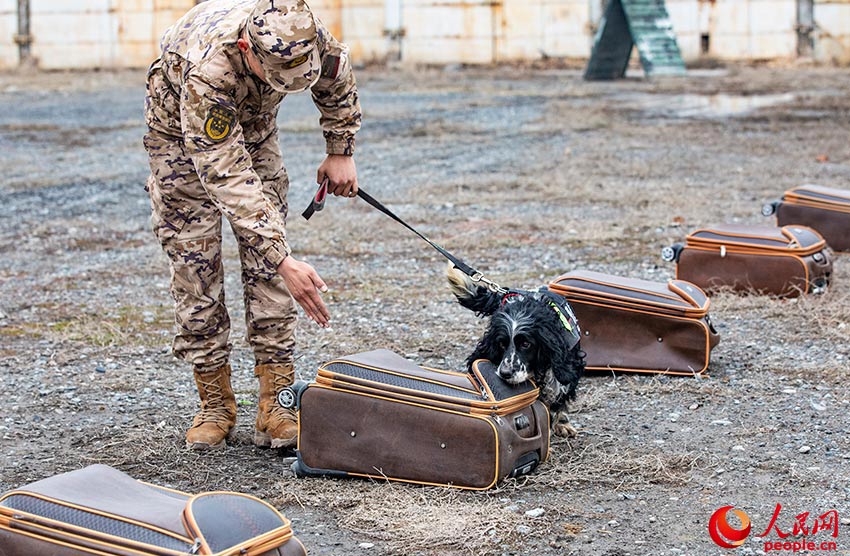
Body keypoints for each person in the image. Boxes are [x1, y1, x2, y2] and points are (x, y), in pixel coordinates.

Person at [143, 0, 361, 450]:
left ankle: (276, 403)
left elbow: (336, 78)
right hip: (181, 140)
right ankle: (215, 404)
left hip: (256, 128)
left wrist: (340, 150)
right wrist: (283, 258)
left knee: (269, 264)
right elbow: (225, 175)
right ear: (248, 49)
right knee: (195, 263)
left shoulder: (302, 31)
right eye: (279, 75)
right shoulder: (208, 71)